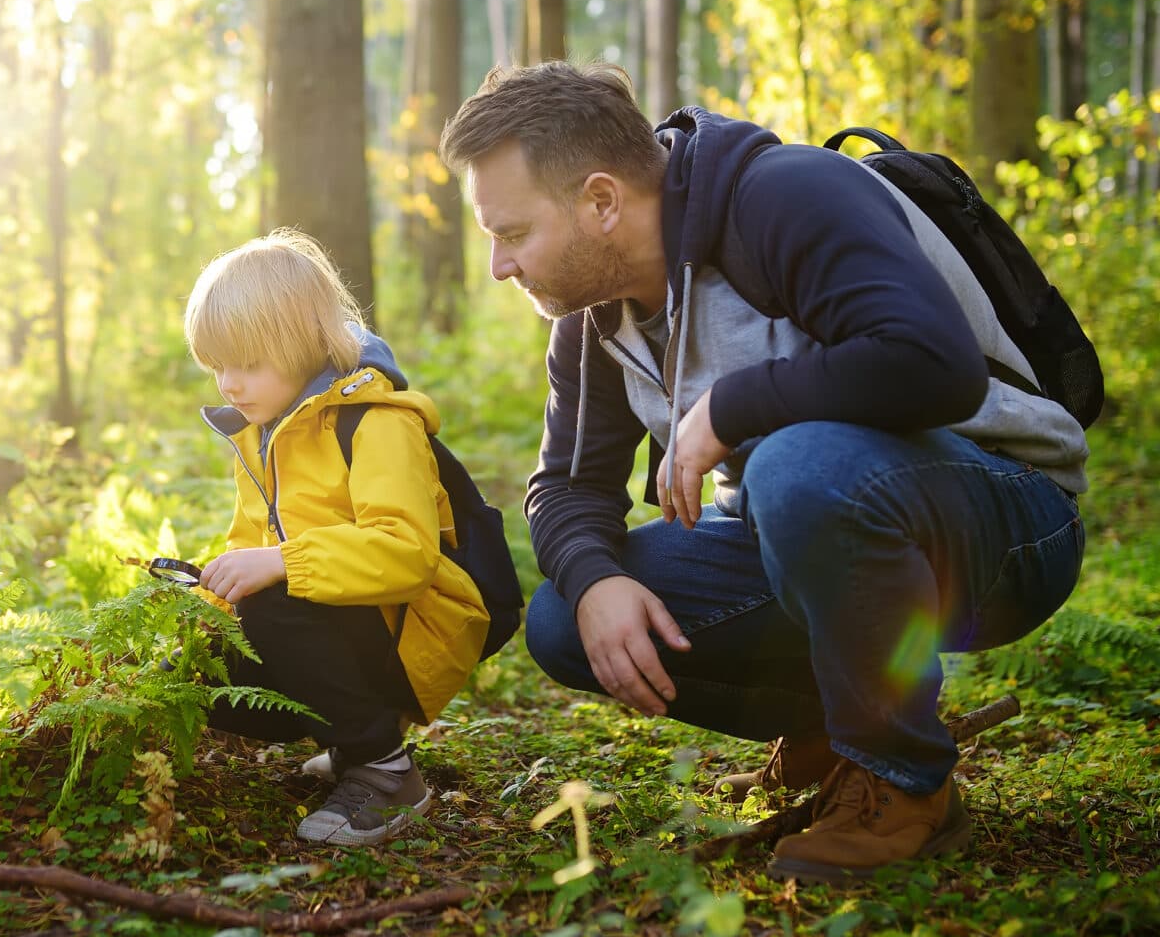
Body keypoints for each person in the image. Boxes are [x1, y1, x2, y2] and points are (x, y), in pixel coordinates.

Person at [438, 61, 1088, 885]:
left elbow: (936, 365)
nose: (499, 265)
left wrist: (734, 406)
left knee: (795, 464)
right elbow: (565, 488)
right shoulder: (594, 319)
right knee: (565, 619)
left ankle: (902, 778)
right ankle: (838, 724)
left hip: (1007, 515)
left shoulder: (785, 197)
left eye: (513, 233)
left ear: (600, 201)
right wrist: (596, 577)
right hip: (814, 528)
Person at [182, 228, 490, 846]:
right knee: (203, 671)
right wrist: (201, 620)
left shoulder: (376, 424)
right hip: (351, 616)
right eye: (218, 367)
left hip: (416, 624)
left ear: (301, 346)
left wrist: (280, 565)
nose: (230, 385)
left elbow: (405, 555)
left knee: (272, 602)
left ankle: (386, 772)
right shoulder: (262, 435)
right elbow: (251, 544)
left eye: (247, 364)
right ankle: (353, 741)